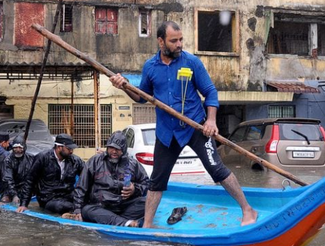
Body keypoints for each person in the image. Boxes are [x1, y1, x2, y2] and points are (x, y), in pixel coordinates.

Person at [109, 21, 257, 228]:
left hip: (195, 127)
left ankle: (248, 210)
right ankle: (148, 225)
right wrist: (124, 85)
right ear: (161, 41)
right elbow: (142, 97)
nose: (179, 45)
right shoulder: (150, 67)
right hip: (167, 133)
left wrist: (211, 121)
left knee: (217, 170)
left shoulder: (191, 62)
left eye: (180, 40)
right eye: (173, 41)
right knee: (157, 180)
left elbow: (210, 92)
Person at [67, 131, 148, 227]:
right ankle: (123, 222)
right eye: (111, 148)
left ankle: (115, 220)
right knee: (87, 210)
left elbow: (147, 184)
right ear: (107, 147)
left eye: (117, 149)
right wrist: (77, 209)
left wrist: (135, 189)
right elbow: (81, 187)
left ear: (124, 149)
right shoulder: (96, 161)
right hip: (100, 207)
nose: (114, 151)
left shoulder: (133, 164)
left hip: (123, 206)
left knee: (147, 203)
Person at [17, 134, 84, 214]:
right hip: (48, 198)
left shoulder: (75, 160)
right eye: (69, 148)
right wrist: (24, 204)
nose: (71, 151)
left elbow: (87, 176)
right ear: (59, 147)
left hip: (68, 196)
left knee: (85, 203)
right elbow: (30, 181)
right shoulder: (42, 158)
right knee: (61, 206)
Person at [1, 134, 33, 204]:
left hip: (26, 188)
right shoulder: (8, 160)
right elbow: (8, 179)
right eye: (15, 147)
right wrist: (14, 195)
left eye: (20, 147)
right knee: (5, 200)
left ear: (24, 148)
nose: (18, 150)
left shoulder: (31, 158)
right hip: (11, 189)